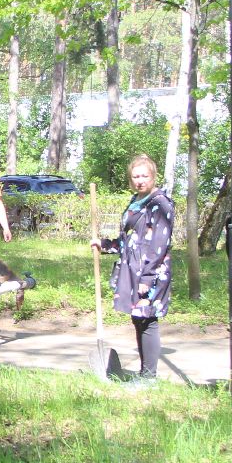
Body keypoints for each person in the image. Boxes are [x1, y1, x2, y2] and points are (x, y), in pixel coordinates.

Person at [91, 153, 174, 381]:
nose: (140, 180)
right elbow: (129, 239)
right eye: (136, 176)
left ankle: (149, 377)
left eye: (144, 176)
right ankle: (144, 373)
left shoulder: (160, 203)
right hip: (132, 268)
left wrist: (147, 279)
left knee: (147, 319)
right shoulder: (136, 200)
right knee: (138, 319)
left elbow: (159, 243)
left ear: (153, 176)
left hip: (151, 271)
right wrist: (105, 244)